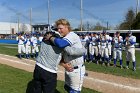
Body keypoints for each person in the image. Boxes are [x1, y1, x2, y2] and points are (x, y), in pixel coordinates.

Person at [48, 18, 85, 93]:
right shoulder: (62, 38)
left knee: (74, 91)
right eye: (57, 29)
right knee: (67, 88)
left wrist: (51, 38)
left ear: (67, 27)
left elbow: (61, 44)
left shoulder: (72, 35)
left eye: (60, 28)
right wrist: (64, 65)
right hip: (68, 68)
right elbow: (59, 56)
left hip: (76, 69)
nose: (58, 30)